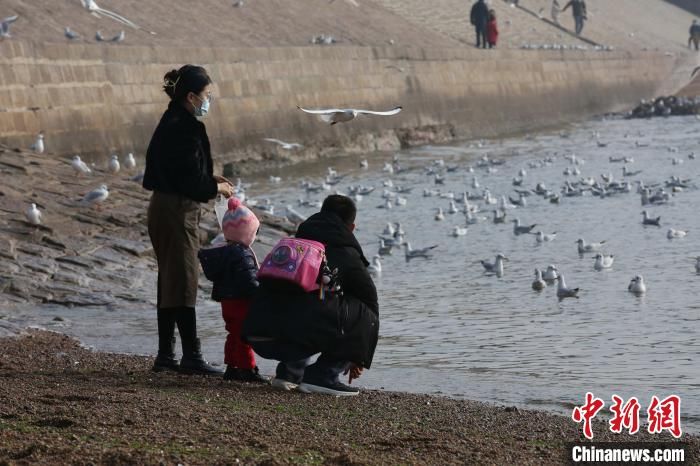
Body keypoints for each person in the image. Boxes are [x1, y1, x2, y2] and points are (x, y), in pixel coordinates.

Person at [143, 64, 234, 375]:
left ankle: (166, 355)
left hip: (164, 206)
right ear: (192, 97)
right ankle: (190, 356)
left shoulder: (171, 120)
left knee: (170, 279)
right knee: (183, 280)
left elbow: (180, 171)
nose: (209, 101)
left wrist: (207, 178)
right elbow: (189, 183)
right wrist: (216, 186)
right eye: (207, 95)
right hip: (176, 211)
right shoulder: (185, 128)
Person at [242, 195, 379, 396]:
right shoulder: (345, 253)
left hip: (258, 332)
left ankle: (289, 373)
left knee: (307, 302)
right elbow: (370, 304)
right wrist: (359, 353)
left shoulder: (294, 244)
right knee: (364, 314)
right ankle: (325, 375)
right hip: (288, 333)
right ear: (351, 227)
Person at [198, 197, 268, 382]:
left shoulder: (224, 251)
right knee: (244, 335)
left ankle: (231, 367)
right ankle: (247, 369)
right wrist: (261, 294)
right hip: (240, 301)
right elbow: (249, 280)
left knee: (233, 334)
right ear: (246, 233)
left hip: (227, 302)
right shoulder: (242, 254)